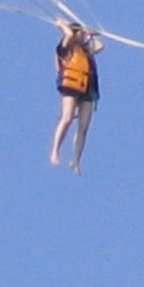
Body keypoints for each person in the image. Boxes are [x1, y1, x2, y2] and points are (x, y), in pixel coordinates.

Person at [50, 19, 104, 175]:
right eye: (79, 34)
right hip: (71, 86)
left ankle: (75, 161)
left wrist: (89, 35)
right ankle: (55, 152)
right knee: (67, 118)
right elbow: (67, 34)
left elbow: (101, 46)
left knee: (83, 127)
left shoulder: (85, 51)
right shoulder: (65, 49)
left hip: (87, 88)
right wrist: (62, 24)